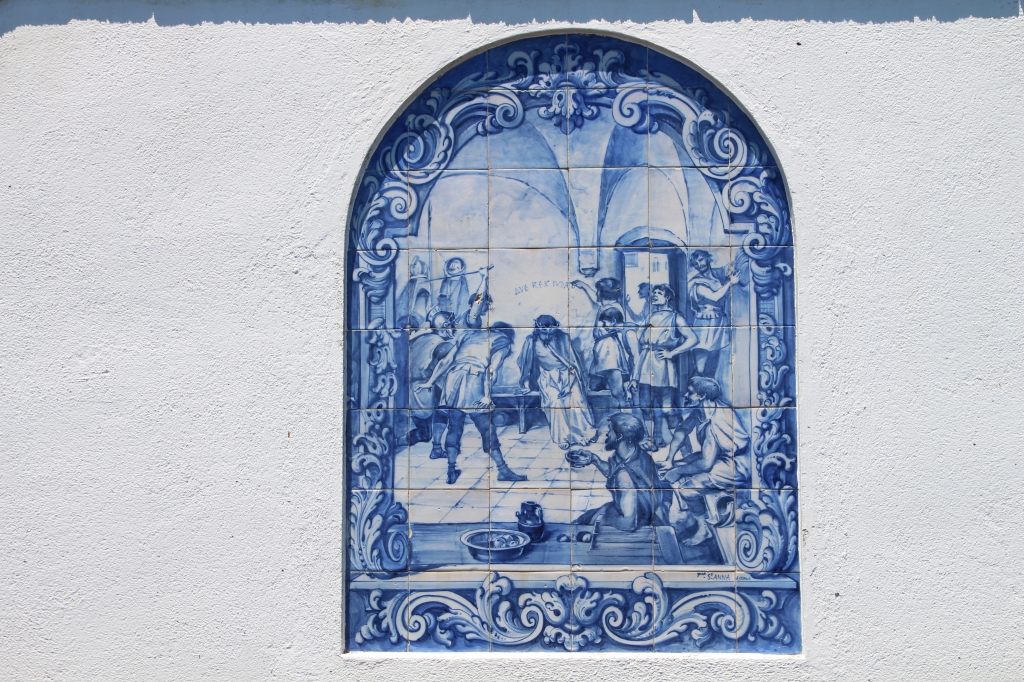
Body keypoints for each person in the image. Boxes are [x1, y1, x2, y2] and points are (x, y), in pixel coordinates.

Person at [415, 321, 525, 485]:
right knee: (485, 426)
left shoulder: (468, 335)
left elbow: (446, 361)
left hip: (452, 380)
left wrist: (430, 382)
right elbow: (491, 370)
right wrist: (487, 396)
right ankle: (503, 470)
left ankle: (451, 470)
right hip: (473, 381)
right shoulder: (503, 341)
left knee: (454, 426)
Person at [662, 376, 751, 545]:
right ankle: (690, 517)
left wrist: (678, 470)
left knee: (687, 489)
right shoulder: (702, 410)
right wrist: (669, 460)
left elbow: (705, 463)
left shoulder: (713, 422)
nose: (686, 395)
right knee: (679, 465)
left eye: (690, 392)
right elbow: (682, 430)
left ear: (702, 396)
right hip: (720, 456)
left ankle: (703, 530)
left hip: (735, 465)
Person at [627, 284, 699, 451]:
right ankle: (652, 440)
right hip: (645, 365)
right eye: (653, 293)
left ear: (667, 297)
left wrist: (672, 353)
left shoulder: (675, 317)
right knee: (646, 406)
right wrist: (634, 377)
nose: (654, 295)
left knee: (667, 409)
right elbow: (641, 346)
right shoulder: (650, 317)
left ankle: (682, 446)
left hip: (664, 367)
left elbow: (693, 339)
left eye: (659, 293)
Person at [573, 413, 670, 531]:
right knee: (584, 518)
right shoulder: (632, 453)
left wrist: (602, 519)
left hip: (640, 523)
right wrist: (595, 460)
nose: (607, 434)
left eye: (610, 430)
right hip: (634, 510)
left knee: (582, 525)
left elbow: (628, 523)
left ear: (619, 436)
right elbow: (613, 470)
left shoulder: (624, 477)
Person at [516, 315, 597, 449]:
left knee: (576, 399)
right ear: (538, 328)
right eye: (544, 330)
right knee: (555, 401)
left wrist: (568, 386)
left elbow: (574, 365)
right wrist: (526, 384)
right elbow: (525, 364)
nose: (548, 333)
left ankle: (585, 433)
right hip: (547, 378)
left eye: (552, 330)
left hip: (569, 376)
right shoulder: (531, 341)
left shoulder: (564, 339)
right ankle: (562, 437)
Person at [402, 309, 456, 447]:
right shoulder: (444, 345)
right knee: (445, 404)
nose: (454, 327)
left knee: (425, 434)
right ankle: (437, 446)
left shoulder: (419, 339)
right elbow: (445, 366)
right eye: (452, 324)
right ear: (445, 325)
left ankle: (399, 441)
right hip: (425, 391)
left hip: (409, 390)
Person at [687, 250, 740, 378]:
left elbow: (732, 266)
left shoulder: (718, 274)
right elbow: (715, 297)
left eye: (701, 260)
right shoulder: (697, 282)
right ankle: (696, 387)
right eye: (695, 263)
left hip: (719, 321)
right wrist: (730, 283)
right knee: (701, 362)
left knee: (713, 362)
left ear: (708, 258)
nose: (699, 265)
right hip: (704, 322)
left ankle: (709, 389)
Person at [589, 307, 634, 410]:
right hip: (605, 361)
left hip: (610, 362)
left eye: (605, 323)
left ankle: (624, 409)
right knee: (595, 386)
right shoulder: (607, 331)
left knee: (617, 391)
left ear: (613, 321)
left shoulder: (616, 333)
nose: (603, 326)